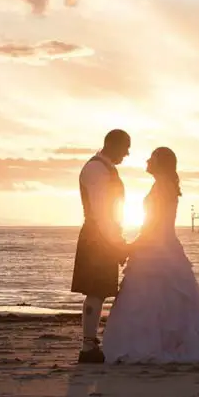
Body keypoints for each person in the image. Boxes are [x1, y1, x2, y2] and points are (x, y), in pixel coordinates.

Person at [102, 147, 199, 364]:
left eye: (152, 157)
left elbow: (154, 223)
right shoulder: (163, 185)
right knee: (160, 298)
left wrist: (133, 245)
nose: (147, 160)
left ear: (160, 162)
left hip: (156, 245)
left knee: (147, 297)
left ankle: (149, 345)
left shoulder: (162, 187)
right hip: (163, 245)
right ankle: (163, 343)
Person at [71, 129, 130, 363]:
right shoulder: (97, 169)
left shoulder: (105, 168)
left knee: (99, 292)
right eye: (126, 148)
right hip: (98, 237)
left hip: (101, 235)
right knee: (96, 291)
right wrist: (116, 242)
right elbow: (101, 212)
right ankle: (87, 347)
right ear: (113, 145)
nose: (127, 153)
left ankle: (89, 344)